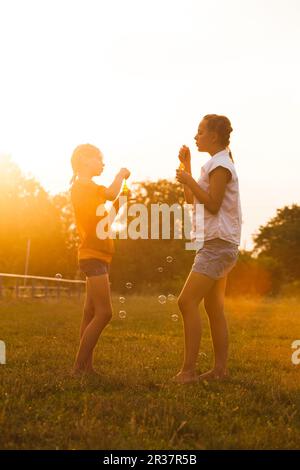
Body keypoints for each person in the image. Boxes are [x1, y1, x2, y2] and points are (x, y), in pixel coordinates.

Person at [175, 114, 242, 384]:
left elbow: (213, 204)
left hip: (217, 244)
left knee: (186, 301)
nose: (196, 136)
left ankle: (188, 371)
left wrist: (189, 180)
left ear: (214, 136)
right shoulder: (213, 164)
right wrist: (187, 166)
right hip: (216, 243)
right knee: (214, 308)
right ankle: (220, 370)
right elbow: (193, 200)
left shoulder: (222, 165)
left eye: (200, 132)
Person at [69, 143, 130, 375]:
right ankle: (78, 368)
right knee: (105, 313)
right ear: (84, 159)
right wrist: (121, 174)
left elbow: (106, 219)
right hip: (92, 256)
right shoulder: (83, 186)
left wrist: (122, 200)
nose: (103, 163)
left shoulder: (90, 189)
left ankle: (86, 366)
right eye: (99, 159)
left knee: (90, 312)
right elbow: (110, 193)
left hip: (99, 254)